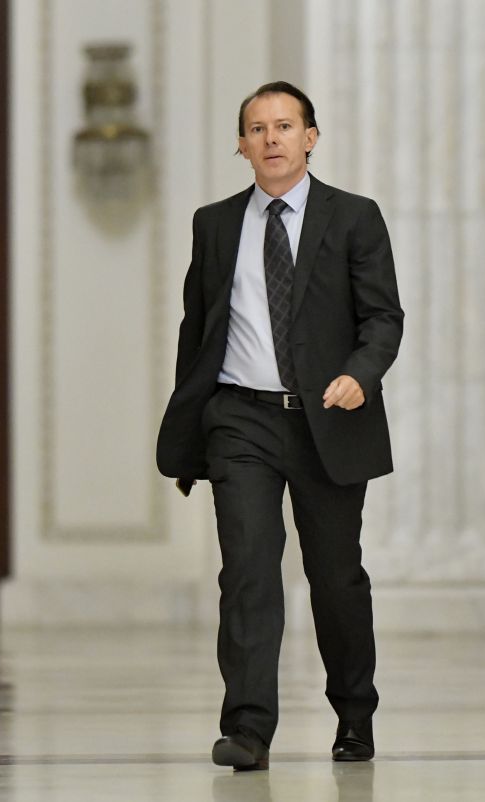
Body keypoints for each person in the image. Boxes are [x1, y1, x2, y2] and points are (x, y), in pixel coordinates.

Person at [156, 81, 404, 770]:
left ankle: (354, 716)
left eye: (285, 126)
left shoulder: (354, 218)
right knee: (248, 572)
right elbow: (197, 332)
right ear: (241, 145)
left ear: (310, 138)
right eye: (257, 129)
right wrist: (191, 435)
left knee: (336, 578)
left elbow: (383, 316)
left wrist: (361, 374)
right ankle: (247, 728)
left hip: (329, 418)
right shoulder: (214, 225)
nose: (271, 138)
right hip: (241, 421)